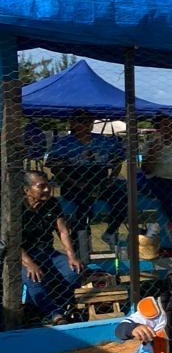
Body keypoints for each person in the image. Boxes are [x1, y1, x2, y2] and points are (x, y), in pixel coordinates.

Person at [45, 110, 127, 246]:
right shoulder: (64, 143)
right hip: (74, 182)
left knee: (122, 199)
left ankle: (110, 232)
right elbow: (55, 168)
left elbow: (118, 161)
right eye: (81, 121)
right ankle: (81, 244)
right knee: (83, 207)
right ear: (73, 123)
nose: (86, 124)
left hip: (100, 181)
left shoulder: (103, 141)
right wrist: (74, 182)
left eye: (89, 121)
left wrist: (111, 178)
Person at [20, 170, 85, 324]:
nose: (47, 190)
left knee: (75, 272)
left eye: (48, 185)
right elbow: (13, 243)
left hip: (47, 252)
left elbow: (62, 231)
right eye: (41, 187)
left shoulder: (52, 203)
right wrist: (30, 264)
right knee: (33, 278)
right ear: (26, 190)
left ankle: (56, 308)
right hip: (22, 256)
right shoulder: (15, 208)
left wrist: (71, 256)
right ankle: (54, 315)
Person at [142, 115, 172, 226]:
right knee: (170, 199)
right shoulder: (150, 144)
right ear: (158, 128)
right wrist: (153, 152)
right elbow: (146, 170)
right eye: (165, 124)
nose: (169, 127)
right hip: (160, 180)